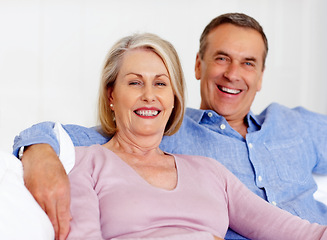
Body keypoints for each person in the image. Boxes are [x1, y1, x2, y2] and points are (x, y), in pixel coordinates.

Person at [13, 13, 327, 240]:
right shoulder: (92, 159)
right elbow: (52, 136)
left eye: (160, 84)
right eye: (135, 82)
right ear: (112, 94)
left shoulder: (213, 169)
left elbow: (295, 231)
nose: (149, 95)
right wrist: (38, 151)